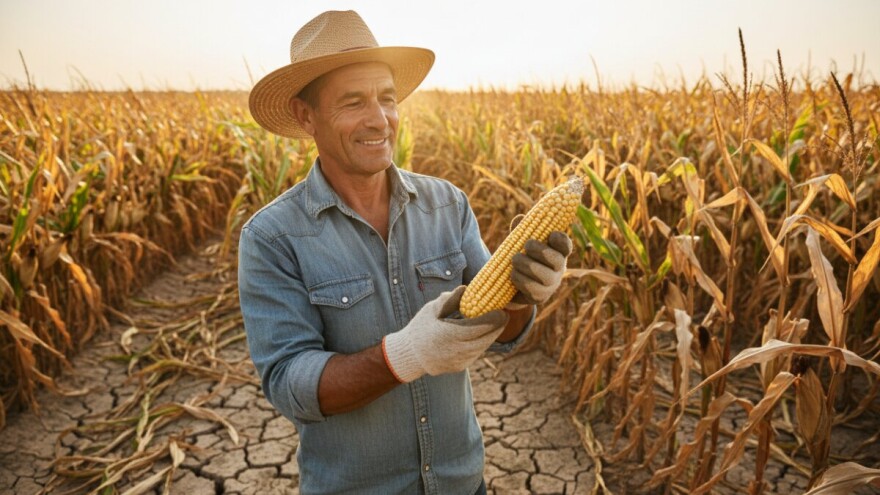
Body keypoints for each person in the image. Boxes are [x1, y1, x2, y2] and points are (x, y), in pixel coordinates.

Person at [239, 10, 572, 495]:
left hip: (462, 483)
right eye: (353, 102)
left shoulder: (447, 204)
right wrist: (406, 354)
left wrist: (523, 293)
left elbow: (503, 332)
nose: (379, 119)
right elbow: (292, 384)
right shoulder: (272, 237)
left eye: (387, 99)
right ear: (304, 115)